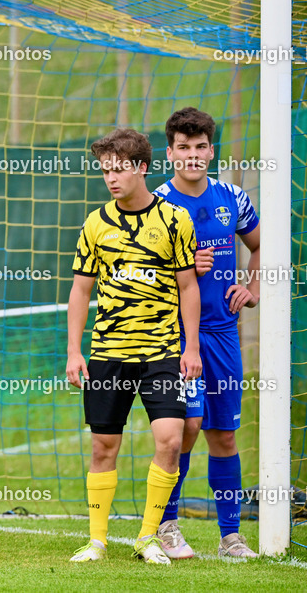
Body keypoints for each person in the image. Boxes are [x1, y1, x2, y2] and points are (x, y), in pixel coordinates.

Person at [66, 128, 201, 565]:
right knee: (103, 447)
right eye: (105, 170)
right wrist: (74, 351)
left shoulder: (175, 219)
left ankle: (147, 537)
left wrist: (192, 347)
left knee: (170, 439)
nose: (111, 178)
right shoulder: (95, 223)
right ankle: (97, 542)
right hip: (108, 353)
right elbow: (80, 290)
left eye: (119, 169)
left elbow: (188, 286)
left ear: (142, 168)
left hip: (162, 351)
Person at [153, 107, 261, 558]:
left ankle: (230, 537)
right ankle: (166, 525)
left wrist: (253, 288)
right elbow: (140, 274)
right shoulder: (156, 204)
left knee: (224, 435)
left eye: (200, 147)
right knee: (185, 428)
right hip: (175, 335)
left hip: (223, 333)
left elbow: (259, 245)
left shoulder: (233, 197)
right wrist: (180, 269)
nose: (192, 155)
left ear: (211, 151)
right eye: (183, 147)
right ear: (170, 153)